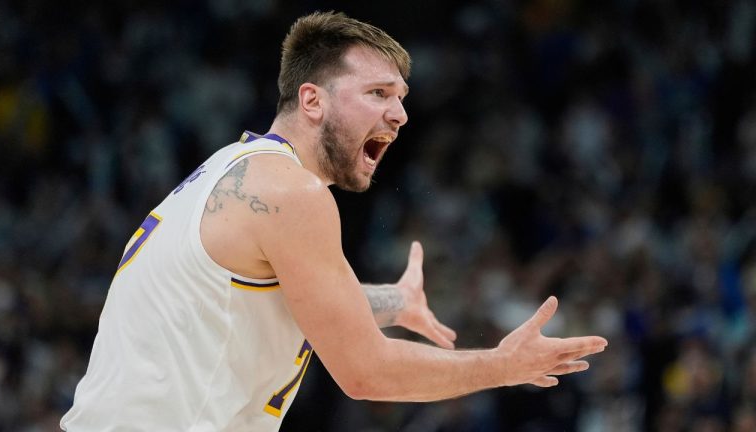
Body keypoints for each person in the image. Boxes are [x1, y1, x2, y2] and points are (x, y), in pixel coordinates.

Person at [61, 11, 608, 431]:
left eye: (401, 98)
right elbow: (366, 372)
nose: (400, 114)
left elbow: (280, 298)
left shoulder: (235, 167)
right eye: (378, 94)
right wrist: (502, 366)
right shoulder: (291, 192)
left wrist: (394, 301)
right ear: (312, 100)